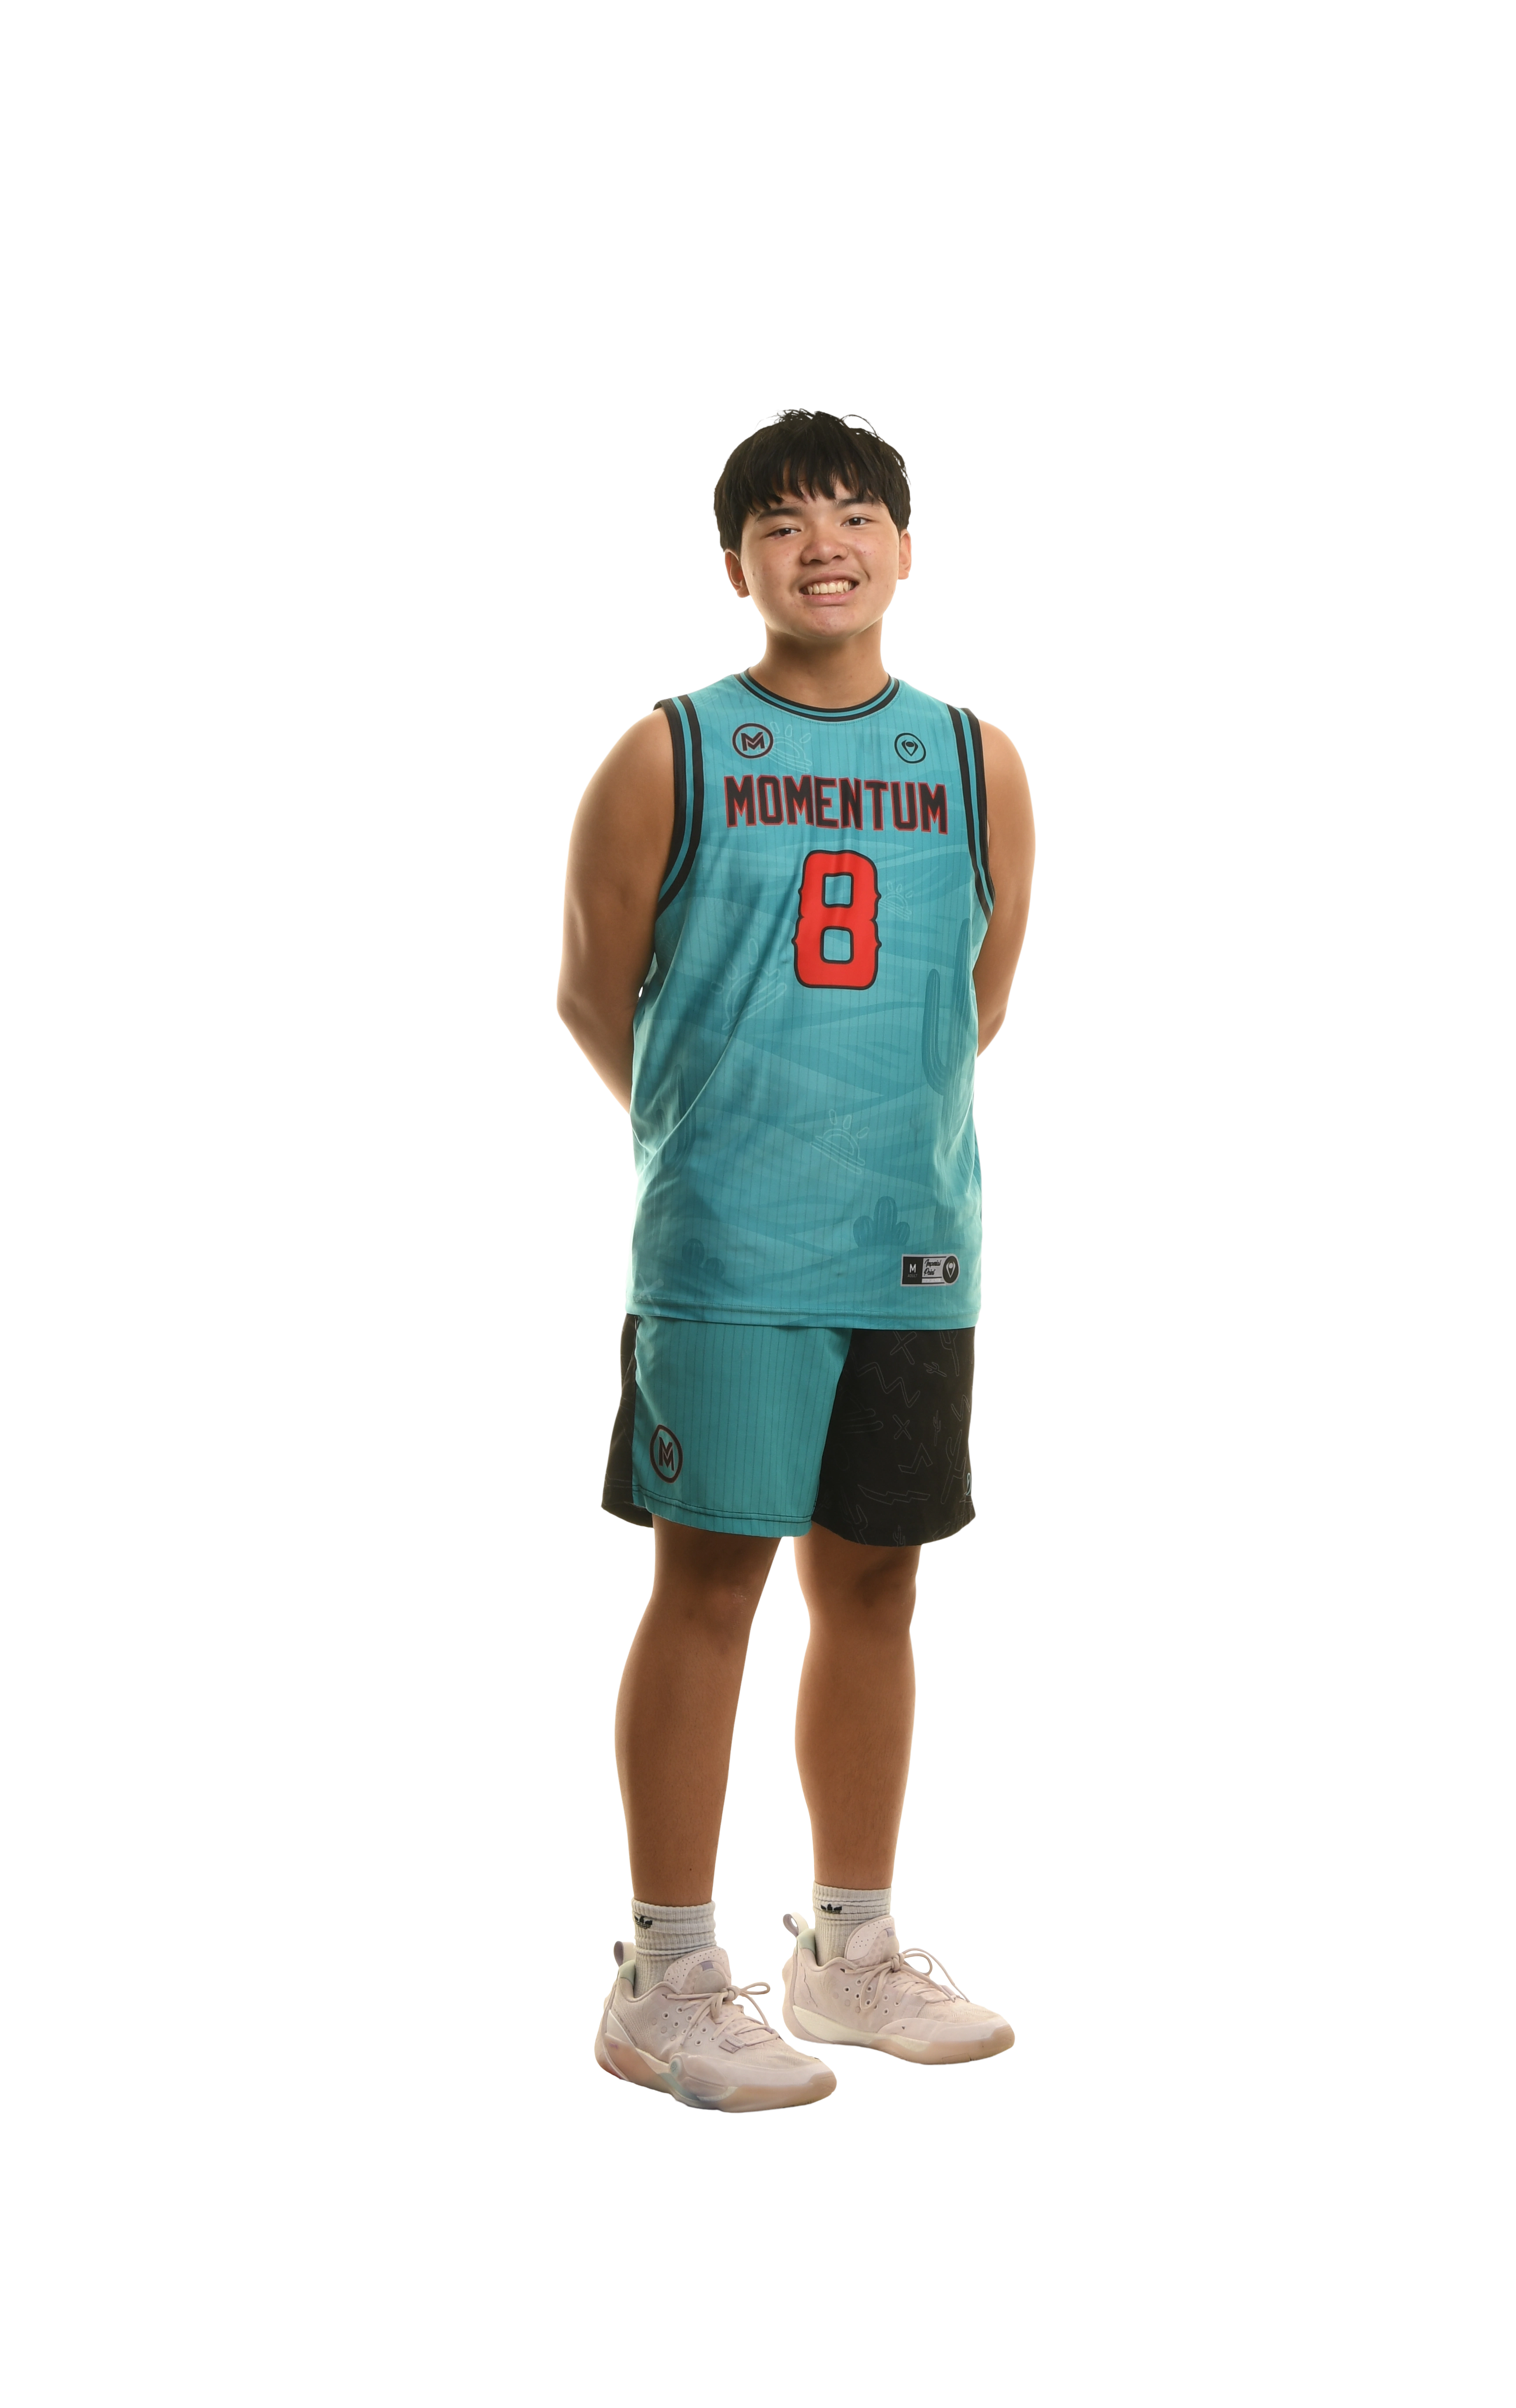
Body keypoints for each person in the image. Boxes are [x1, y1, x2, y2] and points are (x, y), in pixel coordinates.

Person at [556, 407, 1036, 2112]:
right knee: (709, 1588)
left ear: (905, 546)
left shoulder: (975, 759)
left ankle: (848, 1952)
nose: (821, 541)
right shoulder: (668, 751)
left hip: (912, 1247)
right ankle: (669, 1976)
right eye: (779, 520)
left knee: (877, 1586)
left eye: (853, 511)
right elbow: (591, 991)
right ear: (735, 564)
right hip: (728, 1256)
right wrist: (723, 1146)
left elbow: (972, 1004)